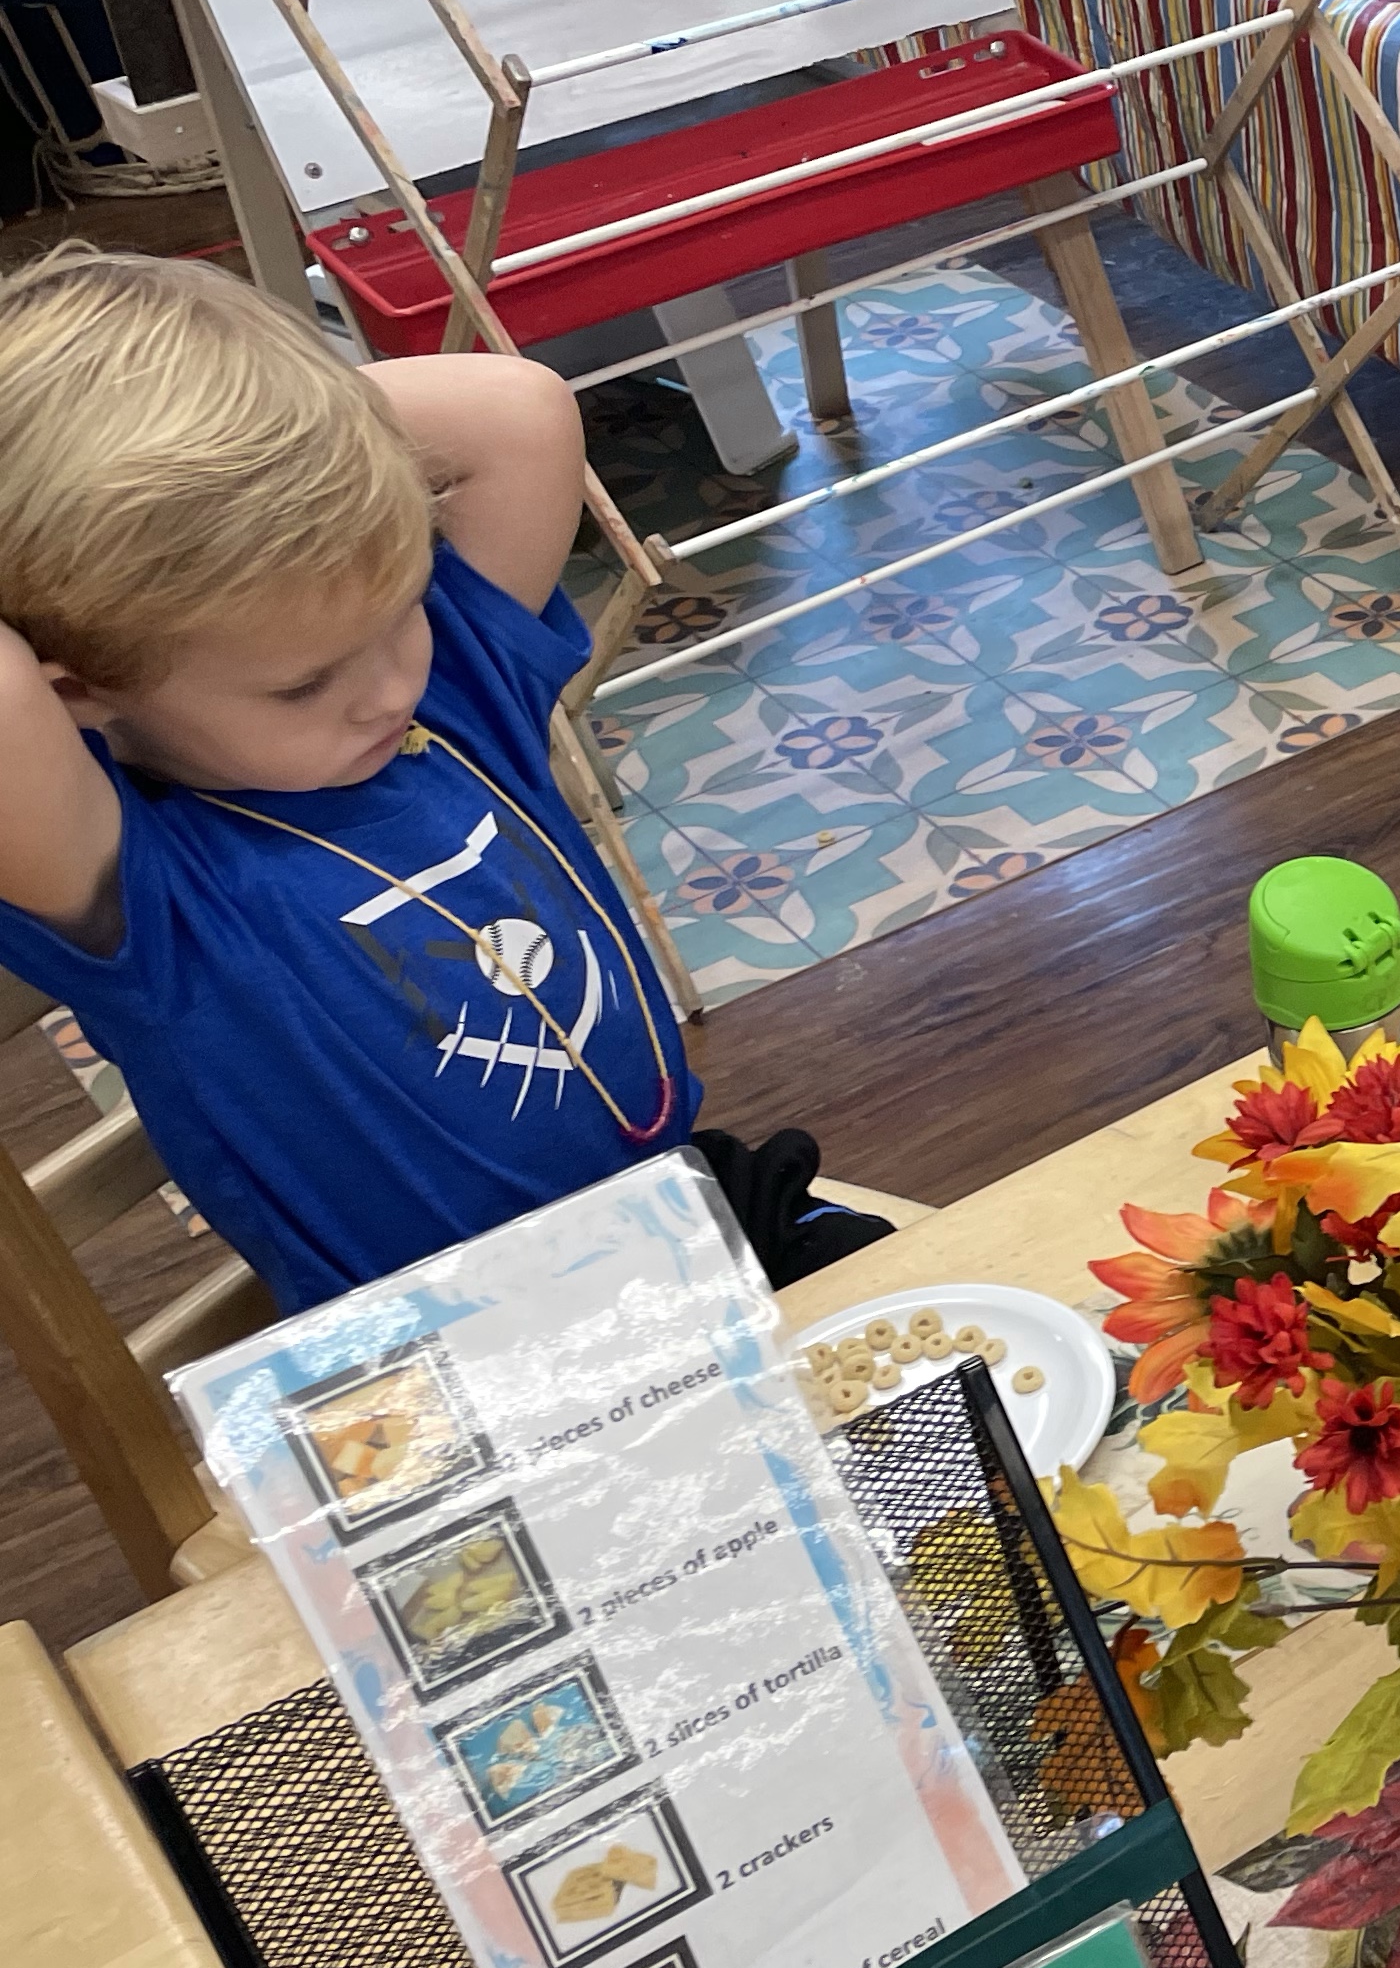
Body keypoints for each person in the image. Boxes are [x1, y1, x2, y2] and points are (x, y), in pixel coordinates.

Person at [0, 248, 879, 1307]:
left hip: (684, 1212)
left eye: (406, 606)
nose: (387, 690)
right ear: (78, 688)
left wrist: (296, 423)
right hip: (452, 1342)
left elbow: (519, 411)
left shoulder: (454, 692)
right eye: (304, 685)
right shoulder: (139, 888)